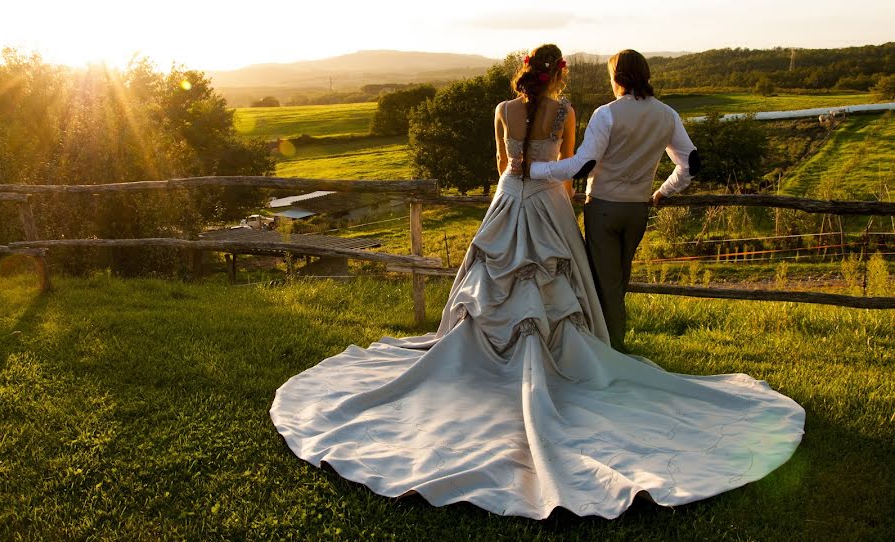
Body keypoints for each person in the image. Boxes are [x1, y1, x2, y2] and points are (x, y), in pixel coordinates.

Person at [271, 44, 804, 520]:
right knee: (579, 278)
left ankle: (511, 345)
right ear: (560, 75)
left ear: (527, 72)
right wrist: (603, 189)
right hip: (581, 204)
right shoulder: (583, 111)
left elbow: (511, 161)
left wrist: (526, 176)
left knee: (499, 274)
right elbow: (580, 165)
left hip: (515, 195)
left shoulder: (506, 110)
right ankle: (598, 344)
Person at [529, 49, 701, 352]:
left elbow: (584, 164)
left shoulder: (606, 113)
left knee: (604, 284)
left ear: (618, 78)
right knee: (619, 281)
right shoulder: (667, 115)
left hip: (604, 208)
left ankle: (612, 350)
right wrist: (664, 191)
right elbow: (690, 164)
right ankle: (610, 343)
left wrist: (535, 169)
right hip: (638, 210)